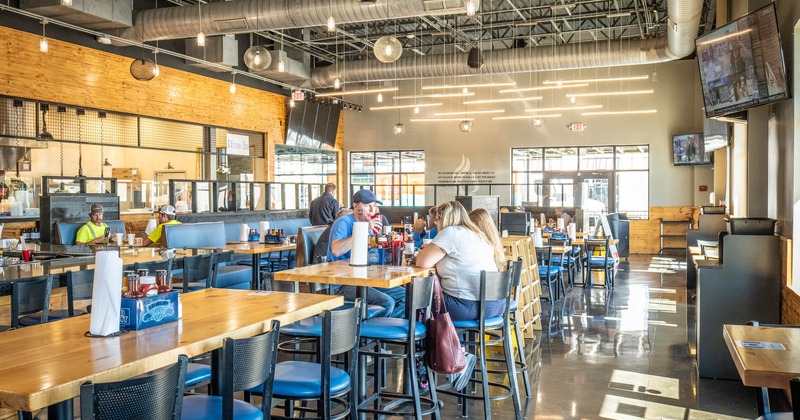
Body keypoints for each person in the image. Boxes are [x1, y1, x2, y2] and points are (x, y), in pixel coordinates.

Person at [415, 201, 505, 391]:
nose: (436, 224)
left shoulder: (451, 232)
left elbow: (422, 262)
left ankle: (430, 368)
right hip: (495, 305)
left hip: (470, 306)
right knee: (434, 301)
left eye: (436, 220)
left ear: (444, 219)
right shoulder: (477, 234)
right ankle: (459, 352)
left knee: (421, 304)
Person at [327, 189, 405, 318]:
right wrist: (363, 230)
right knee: (387, 302)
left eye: (373, 206)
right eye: (367, 205)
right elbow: (336, 250)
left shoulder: (367, 226)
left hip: (363, 279)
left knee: (404, 295)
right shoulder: (344, 222)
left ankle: (384, 333)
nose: (371, 209)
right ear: (356, 206)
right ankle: (368, 335)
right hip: (342, 283)